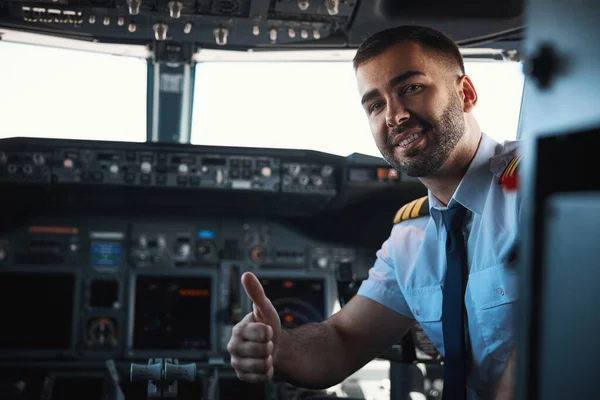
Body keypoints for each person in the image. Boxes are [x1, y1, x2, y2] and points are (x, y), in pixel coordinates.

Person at [227, 25, 521, 400]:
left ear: (465, 94)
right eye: (375, 104)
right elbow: (344, 340)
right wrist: (276, 347)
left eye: (411, 88)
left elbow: (562, 329)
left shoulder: (538, 188)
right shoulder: (410, 238)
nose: (394, 116)